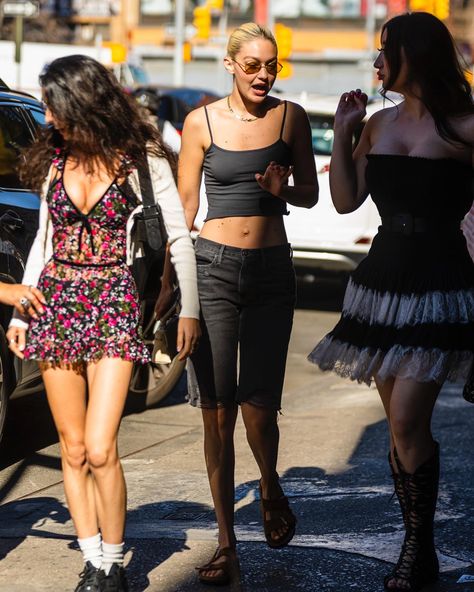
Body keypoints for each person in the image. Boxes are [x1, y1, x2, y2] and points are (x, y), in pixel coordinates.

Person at [6, 55, 200, 592]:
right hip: (55, 303)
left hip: (114, 300)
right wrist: (23, 310)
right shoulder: (56, 163)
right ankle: (96, 562)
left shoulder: (142, 160)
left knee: (100, 446)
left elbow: (179, 235)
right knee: (70, 447)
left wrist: (190, 309)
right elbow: (43, 244)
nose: (45, 115)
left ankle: (115, 558)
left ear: (78, 101)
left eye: (51, 103)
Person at [308, 12, 474, 592]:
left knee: (406, 420)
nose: (376, 61)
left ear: (415, 57)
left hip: (439, 282)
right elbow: (348, 201)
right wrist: (345, 128)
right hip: (380, 283)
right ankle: (416, 548)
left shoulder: (465, 126)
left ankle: (416, 547)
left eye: (385, 51)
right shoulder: (376, 123)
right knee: (402, 432)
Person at [160, 22, 318, 585]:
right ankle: (227, 541)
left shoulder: (290, 117)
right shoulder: (199, 123)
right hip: (213, 271)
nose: (263, 75)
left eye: (271, 66)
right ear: (230, 64)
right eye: (252, 65)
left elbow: (311, 193)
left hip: (273, 272)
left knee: (258, 407)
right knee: (217, 413)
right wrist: (172, 287)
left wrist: (283, 192)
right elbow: (183, 210)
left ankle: (270, 483)